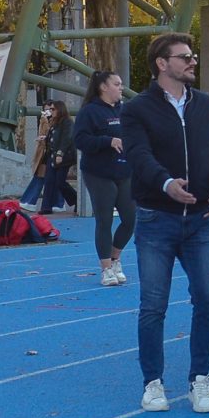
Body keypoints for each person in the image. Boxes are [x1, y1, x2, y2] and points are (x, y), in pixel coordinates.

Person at [123, 32, 209, 415]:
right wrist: (165, 183)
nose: (192, 61)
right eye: (185, 56)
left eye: (193, 55)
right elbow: (138, 155)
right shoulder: (137, 109)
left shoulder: (207, 105)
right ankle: (153, 382)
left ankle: (200, 378)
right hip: (156, 219)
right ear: (162, 63)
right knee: (154, 305)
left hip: (201, 220)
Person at [75, 70, 136, 286]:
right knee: (105, 220)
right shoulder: (89, 112)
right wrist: (107, 141)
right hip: (98, 172)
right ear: (103, 87)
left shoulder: (125, 110)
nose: (121, 88)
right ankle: (106, 268)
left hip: (124, 171)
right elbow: (80, 140)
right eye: (117, 84)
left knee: (130, 219)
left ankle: (115, 257)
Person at [35, 101, 79, 214]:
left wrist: (60, 153)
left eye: (53, 109)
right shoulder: (54, 122)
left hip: (63, 156)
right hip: (52, 155)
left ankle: (76, 199)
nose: (51, 111)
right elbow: (54, 136)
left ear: (60, 109)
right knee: (49, 181)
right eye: (50, 109)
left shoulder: (67, 122)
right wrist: (45, 138)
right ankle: (46, 207)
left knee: (60, 182)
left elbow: (66, 138)